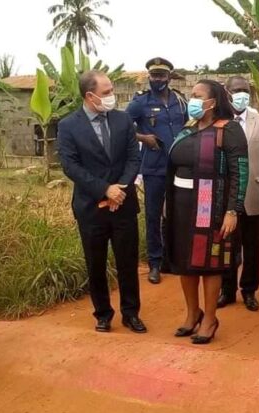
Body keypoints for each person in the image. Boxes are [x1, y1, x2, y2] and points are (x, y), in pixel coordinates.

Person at [58, 70, 146, 334]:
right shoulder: (68, 126)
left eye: (111, 91)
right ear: (90, 96)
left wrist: (120, 189)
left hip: (123, 204)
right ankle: (103, 314)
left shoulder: (123, 120)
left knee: (127, 262)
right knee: (95, 263)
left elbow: (133, 157)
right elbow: (70, 166)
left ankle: (131, 313)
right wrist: (104, 190)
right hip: (91, 207)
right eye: (107, 92)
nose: (112, 97)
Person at [165, 80, 248, 345]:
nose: (193, 100)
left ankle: (210, 318)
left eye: (198, 96)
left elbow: (240, 172)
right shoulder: (188, 128)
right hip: (180, 203)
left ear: (213, 103)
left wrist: (233, 210)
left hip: (210, 206)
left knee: (208, 262)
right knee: (185, 262)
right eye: (192, 96)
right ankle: (193, 314)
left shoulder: (229, 129)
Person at [126, 57, 188, 285]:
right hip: (154, 167)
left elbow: (191, 126)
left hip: (180, 167)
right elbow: (123, 126)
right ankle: (154, 263)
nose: (157, 79)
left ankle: (172, 259)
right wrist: (144, 137)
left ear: (169, 77)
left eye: (162, 75)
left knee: (177, 215)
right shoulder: (140, 103)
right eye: (154, 75)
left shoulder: (180, 102)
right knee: (153, 215)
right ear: (148, 77)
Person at [217, 75, 259, 312]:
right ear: (226, 93)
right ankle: (227, 290)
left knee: (252, 245)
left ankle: (249, 290)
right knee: (227, 246)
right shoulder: (219, 122)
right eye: (237, 90)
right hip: (227, 197)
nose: (242, 94)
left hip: (252, 195)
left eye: (245, 90)